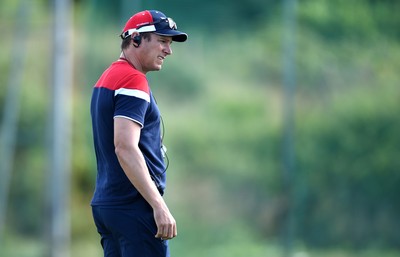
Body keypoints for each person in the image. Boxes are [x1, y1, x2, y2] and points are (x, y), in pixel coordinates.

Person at [90, 10, 187, 257]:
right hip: (133, 207)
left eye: (170, 43)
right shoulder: (133, 80)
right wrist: (158, 205)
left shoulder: (108, 76)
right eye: (162, 41)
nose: (169, 50)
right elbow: (125, 147)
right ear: (135, 39)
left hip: (109, 205)